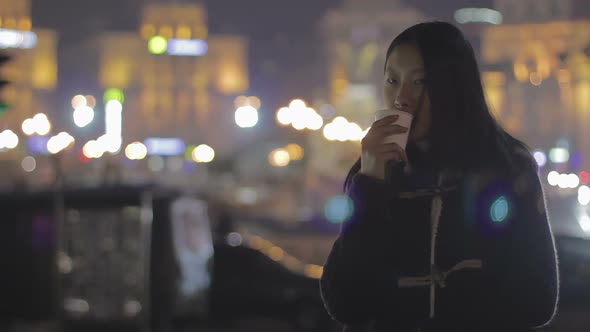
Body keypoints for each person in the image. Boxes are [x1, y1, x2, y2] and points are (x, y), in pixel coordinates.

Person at [320, 22, 559, 332]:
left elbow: (537, 300)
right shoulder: (372, 172)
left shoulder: (507, 168)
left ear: (453, 86)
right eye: (392, 80)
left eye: (419, 82)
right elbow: (344, 303)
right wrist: (371, 186)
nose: (401, 98)